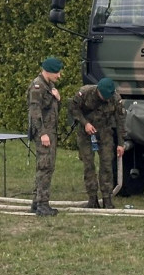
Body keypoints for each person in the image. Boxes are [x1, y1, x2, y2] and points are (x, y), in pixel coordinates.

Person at [69, 77, 127, 209]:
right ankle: (92, 198)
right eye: (104, 96)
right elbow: (73, 109)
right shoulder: (85, 93)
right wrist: (85, 124)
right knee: (88, 165)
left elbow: (120, 121)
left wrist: (121, 143)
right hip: (86, 133)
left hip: (105, 132)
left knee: (107, 165)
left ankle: (107, 198)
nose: (106, 99)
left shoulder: (115, 98)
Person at [28, 56, 63, 216]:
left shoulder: (49, 86)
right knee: (44, 167)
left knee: (47, 166)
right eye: (57, 73)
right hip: (44, 134)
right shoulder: (38, 86)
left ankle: (37, 202)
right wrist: (42, 134)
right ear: (49, 72)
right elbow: (34, 113)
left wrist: (58, 99)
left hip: (50, 132)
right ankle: (42, 204)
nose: (59, 76)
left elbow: (52, 109)